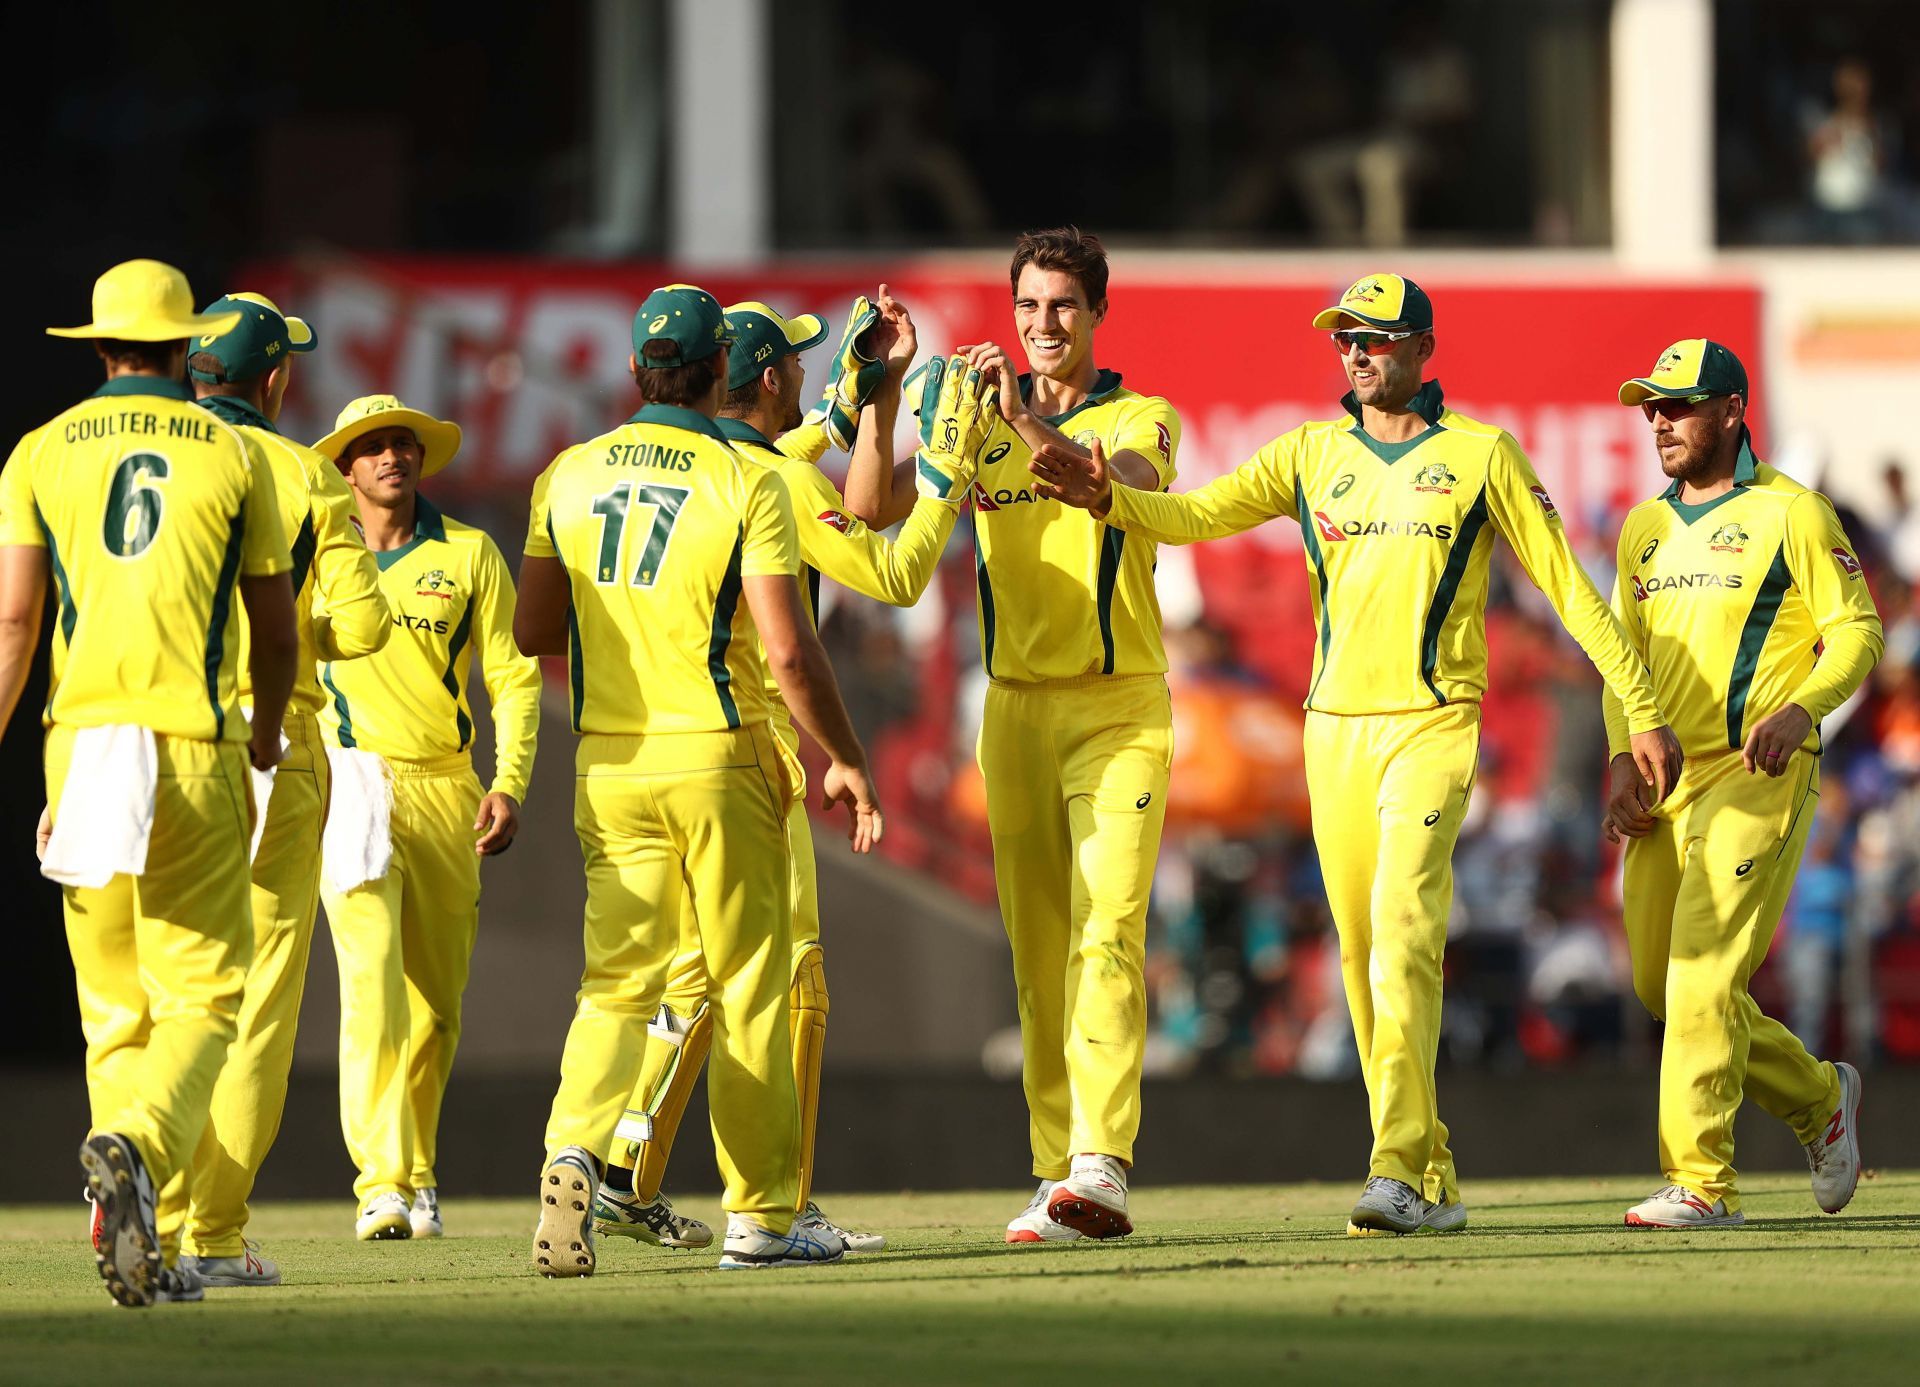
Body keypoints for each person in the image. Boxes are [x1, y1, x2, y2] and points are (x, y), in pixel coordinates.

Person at [1030, 272, 1682, 1236]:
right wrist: (1107, 499)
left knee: (1407, 933)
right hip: (1331, 729)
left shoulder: (1481, 455)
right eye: (1345, 338)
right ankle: (1431, 1168)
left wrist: (1638, 709)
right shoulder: (1309, 452)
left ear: (1421, 349)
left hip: (1432, 720)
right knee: (1365, 954)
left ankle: (1396, 1169)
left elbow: (1572, 592)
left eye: (1375, 338)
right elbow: (1200, 512)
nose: (1355, 353)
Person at [517, 284, 928, 1272]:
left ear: (633, 373)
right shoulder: (746, 479)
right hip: (719, 750)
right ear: (715, 375)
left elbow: (533, 632)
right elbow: (790, 653)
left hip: (609, 759)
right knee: (752, 988)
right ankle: (761, 1216)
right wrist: (849, 759)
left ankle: (575, 1147)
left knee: (617, 988)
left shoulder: (566, 474)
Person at [846, 227, 1183, 1244]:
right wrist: (887, 390)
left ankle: (1102, 1162)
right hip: (1015, 710)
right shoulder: (975, 420)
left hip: (1119, 705)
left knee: (1108, 929)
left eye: (1063, 307)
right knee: (1039, 959)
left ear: (1097, 315)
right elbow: (869, 504)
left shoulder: (1145, 415)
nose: (1043, 326)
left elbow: (1104, 479)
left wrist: (1014, 424)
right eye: (1028, 306)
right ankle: (1056, 1175)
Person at [0, 260, 297, 1306]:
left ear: (97, 346)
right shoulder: (234, 451)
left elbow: (14, 626)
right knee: (208, 993)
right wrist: (266, 731)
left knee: (113, 1010)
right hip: (193, 743)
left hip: (79, 743)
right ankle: (137, 1150)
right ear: (186, 345)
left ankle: (132, 1230)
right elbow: (273, 624)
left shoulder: (37, 453)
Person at [1603, 339, 1882, 1227]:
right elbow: (1625, 661)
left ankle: (1701, 1181)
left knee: (1698, 972)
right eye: (1651, 406)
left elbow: (1859, 629)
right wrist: (1620, 754)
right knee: (1662, 983)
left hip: (1759, 768)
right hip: (1664, 779)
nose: (1659, 421)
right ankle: (1818, 1099)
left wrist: (1806, 706)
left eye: (1678, 406)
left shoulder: (1793, 513)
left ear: (1730, 410)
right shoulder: (1643, 528)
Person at [160, 294, 390, 1284]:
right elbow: (364, 627)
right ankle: (210, 1234)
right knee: (256, 1005)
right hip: (272, 743)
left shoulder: (140, 454)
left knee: (164, 986)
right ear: (273, 379)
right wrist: (310, 630)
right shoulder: (306, 476)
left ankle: (143, 1178)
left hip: (148, 739)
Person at [313, 394, 541, 1240]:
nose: (390, 457)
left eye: (402, 443)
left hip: (447, 788)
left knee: (435, 1006)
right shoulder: (316, 555)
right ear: (344, 466)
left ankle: (417, 1169)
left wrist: (508, 780)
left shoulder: (471, 553)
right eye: (371, 446)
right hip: (351, 782)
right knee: (369, 987)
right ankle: (381, 1181)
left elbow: (514, 679)